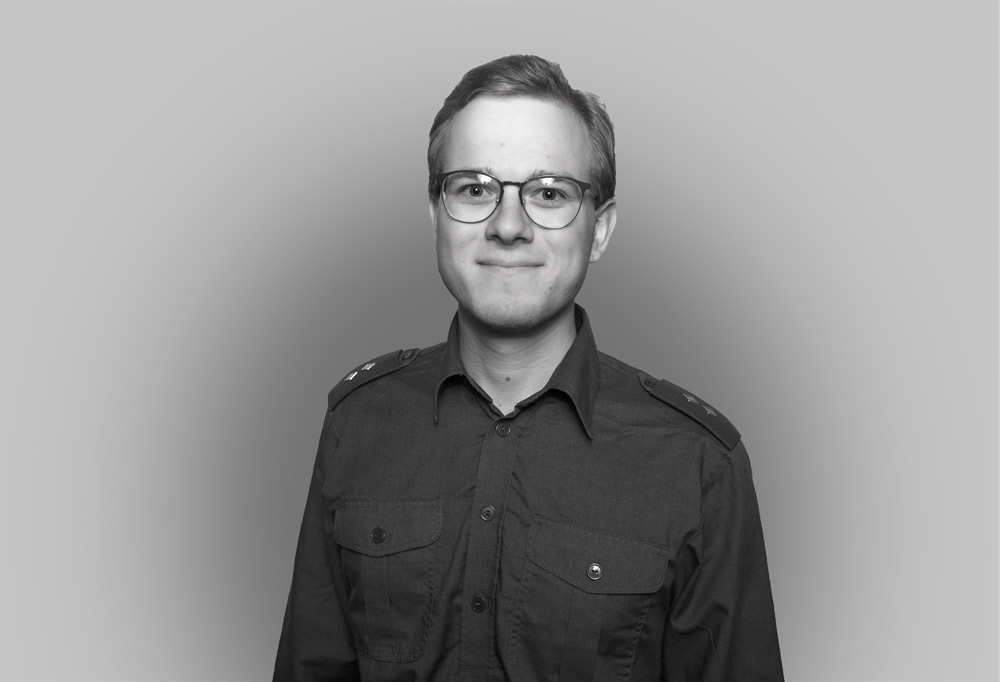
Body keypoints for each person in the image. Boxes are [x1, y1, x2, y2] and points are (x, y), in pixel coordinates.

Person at [274, 54, 783, 682]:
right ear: (435, 216)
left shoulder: (699, 462)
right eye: (474, 189)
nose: (508, 226)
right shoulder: (358, 423)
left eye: (548, 193)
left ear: (600, 229)